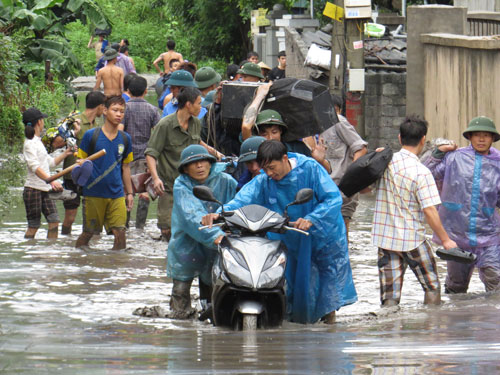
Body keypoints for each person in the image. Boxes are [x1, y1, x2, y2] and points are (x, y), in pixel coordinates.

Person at [202, 140, 357, 324]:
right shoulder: (264, 180)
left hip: (322, 236)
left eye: (272, 168)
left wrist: (312, 218)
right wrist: (218, 214)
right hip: (290, 237)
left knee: (325, 289)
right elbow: (241, 200)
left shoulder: (310, 169)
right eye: (265, 169)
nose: (269, 173)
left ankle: (328, 331)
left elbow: (332, 198)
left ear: (285, 158)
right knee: (290, 285)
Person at [372, 116, 457, 307]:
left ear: (400, 138)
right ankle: (431, 328)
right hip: (413, 240)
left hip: (385, 240)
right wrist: (445, 240)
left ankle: (389, 332)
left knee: (390, 295)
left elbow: (363, 188)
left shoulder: (384, 163)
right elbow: (429, 211)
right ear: (423, 140)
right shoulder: (421, 172)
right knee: (432, 286)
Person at [424, 116, 500, 293]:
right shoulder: (454, 158)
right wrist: (438, 153)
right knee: (456, 288)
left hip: (489, 235)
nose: (481, 139)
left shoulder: (498, 163)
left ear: (492, 139)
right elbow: (426, 174)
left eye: (486, 136)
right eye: (477, 135)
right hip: (457, 235)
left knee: (496, 283)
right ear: (470, 137)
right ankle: (456, 318)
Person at [167, 144, 237, 319]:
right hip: (187, 243)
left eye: (202, 161)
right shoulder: (181, 186)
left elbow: (241, 203)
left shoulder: (226, 181)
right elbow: (192, 216)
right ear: (185, 168)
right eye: (193, 163)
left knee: (216, 291)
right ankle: (181, 327)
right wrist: (217, 237)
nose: (199, 166)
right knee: (181, 293)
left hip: (218, 244)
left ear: (210, 162)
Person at [145, 87, 222, 241]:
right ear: (188, 104)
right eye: (199, 103)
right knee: (166, 227)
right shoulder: (165, 125)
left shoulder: (195, 123)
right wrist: (155, 178)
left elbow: (195, 140)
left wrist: (214, 152)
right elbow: (151, 153)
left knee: (194, 225)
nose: (201, 107)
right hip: (169, 186)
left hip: (191, 186)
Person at [75, 96, 134, 250]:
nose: (119, 114)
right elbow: (80, 164)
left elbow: (126, 167)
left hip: (117, 193)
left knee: (120, 232)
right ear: (105, 111)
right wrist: (80, 164)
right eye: (115, 110)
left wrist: (129, 193)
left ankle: (115, 265)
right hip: (93, 193)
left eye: (122, 111)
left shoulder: (125, 139)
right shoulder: (91, 136)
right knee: (89, 233)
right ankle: (79, 259)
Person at [241, 83, 331, 172]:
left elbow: (326, 172)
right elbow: (246, 126)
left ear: (281, 131)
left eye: (274, 132)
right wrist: (260, 96)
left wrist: (321, 161)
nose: (270, 138)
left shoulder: (296, 149)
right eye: (264, 133)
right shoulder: (254, 148)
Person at [22, 108, 73, 239]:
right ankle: (30, 251)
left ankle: (51, 251)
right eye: (42, 120)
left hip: (45, 189)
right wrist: (51, 180)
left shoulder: (38, 142)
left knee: (54, 221)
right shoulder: (29, 144)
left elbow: (49, 163)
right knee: (33, 226)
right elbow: (35, 167)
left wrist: (66, 153)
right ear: (39, 122)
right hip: (33, 189)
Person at [321, 94, 367, 237]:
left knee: (341, 229)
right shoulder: (313, 127)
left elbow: (360, 148)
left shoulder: (338, 122)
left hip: (343, 187)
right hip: (324, 187)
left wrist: (352, 177)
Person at [61, 91, 106, 235]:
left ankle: (89, 244)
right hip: (72, 176)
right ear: (99, 106)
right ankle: (65, 240)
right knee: (70, 216)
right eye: (103, 106)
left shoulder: (99, 125)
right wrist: (72, 132)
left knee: (93, 215)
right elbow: (57, 142)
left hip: (92, 176)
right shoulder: (75, 121)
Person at [123, 75, 161, 230]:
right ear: (146, 91)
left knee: (127, 190)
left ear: (128, 91)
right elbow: (158, 133)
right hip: (147, 157)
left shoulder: (123, 109)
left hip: (127, 157)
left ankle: (124, 226)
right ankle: (140, 227)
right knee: (144, 192)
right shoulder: (152, 110)